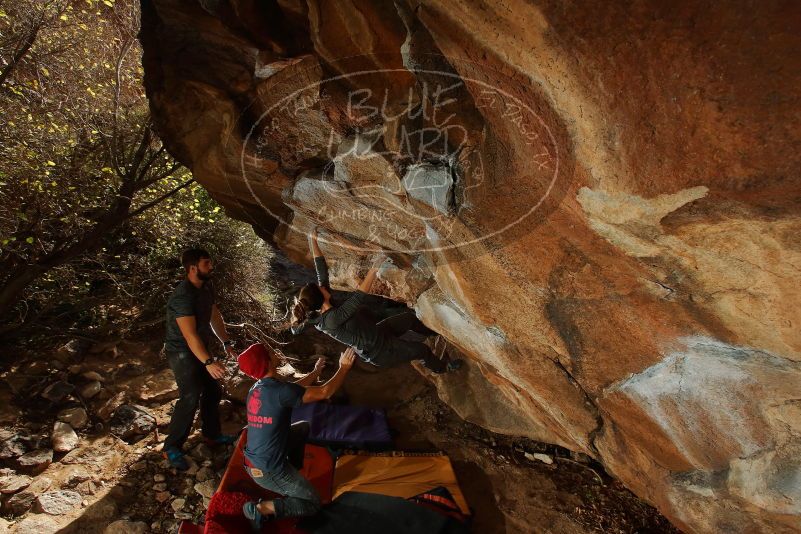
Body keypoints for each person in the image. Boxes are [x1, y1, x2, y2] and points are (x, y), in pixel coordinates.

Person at [291, 228, 461, 374]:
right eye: (320, 288)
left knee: (409, 318)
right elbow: (358, 298)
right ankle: (443, 368)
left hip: (377, 332)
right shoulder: (330, 320)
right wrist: (375, 268)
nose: (323, 286)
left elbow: (321, 270)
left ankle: (437, 333)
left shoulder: (322, 303)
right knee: (421, 350)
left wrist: (312, 240)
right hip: (379, 351)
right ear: (320, 297)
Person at [238, 342, 357, 528]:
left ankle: (293, 471)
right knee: (313, 503)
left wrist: (316, 372)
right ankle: (261, 509)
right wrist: (344, 368)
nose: (273, 351)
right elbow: (325, 392)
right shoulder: (278, 391)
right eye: (268, 351)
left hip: (256, 460)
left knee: (302, 428)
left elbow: (293, 390)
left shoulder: (258, 388)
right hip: (268, 470)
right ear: (267, 362)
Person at [162, 248, 238, 470]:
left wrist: (226, 342)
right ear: (193, 268)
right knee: (190, 395)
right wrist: (208, 363)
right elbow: (190, 335)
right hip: (181, 351)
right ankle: (171, 447)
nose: (211, 266)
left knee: (213, 391)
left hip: (200, 348)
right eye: (207, 263)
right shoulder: (182, 296)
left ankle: (212, 435)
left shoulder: (206, 286)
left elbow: (214, 314)